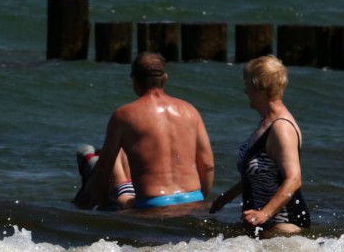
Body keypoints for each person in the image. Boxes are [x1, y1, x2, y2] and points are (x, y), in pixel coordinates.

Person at [73, 52, 214, 212]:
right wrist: (199, 198)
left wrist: (100, 203)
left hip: (151, 204)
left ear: (134, 80)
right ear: (165, 78)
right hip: (193, 199)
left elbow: (105, 167)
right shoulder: (190, 111)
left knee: (114, 192)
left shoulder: (124, 115)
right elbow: (208, 165)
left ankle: (89, 162)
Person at [209, 55, 310, 236]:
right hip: (265, 225)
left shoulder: (281, 127)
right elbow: (260, 174)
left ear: (261, 89)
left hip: (285, 226)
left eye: (247, 84)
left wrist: (264, 213)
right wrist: (228, 197)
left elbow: (294, 179)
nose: (245, 91)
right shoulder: (266, 123)